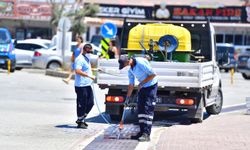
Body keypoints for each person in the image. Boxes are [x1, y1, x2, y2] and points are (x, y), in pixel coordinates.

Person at [118, 55, 158, 142]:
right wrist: (127, 98)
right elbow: (131, 85)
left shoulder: (140, 62)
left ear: (127, 61)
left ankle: (146, 134)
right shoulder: (130, 70)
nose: (125, 67)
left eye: (124, 65)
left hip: (151, 86)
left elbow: (153, 74)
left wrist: (142, 83)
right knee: (141, 110)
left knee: (147, 110)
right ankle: (142, 132)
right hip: (143, 87)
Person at [74, 43, 95, 128]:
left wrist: (96, 69)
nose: (90, 53)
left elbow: (86, 69)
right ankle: (80, 121)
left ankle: (82, 118)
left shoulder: (86, 58)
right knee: (82, 104)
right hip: (81, 86)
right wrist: (89, 76)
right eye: (88, 51)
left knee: (90, 103)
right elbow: (77, 71)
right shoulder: (79, 59)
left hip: (87, 84)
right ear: (84, 50)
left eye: (90, 51)